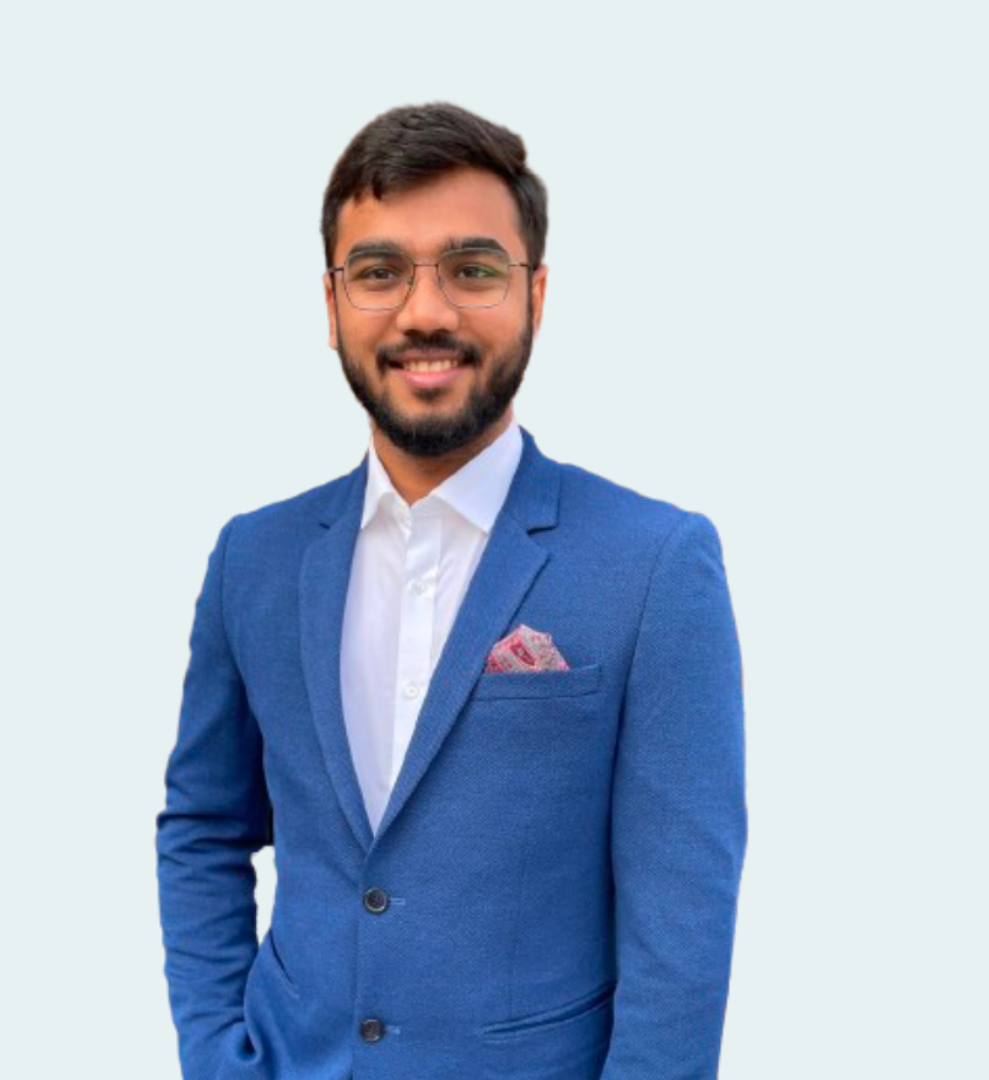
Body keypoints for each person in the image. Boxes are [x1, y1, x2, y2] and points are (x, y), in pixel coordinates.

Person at [156, 102, 747, 1080]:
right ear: (332, 303)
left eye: (472, 270)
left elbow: (681, 926)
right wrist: (219, 1058)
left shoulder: (656, 564)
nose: (424, 312)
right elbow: (205, 829)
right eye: (379, 272)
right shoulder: (251, 560)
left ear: (536, 294)